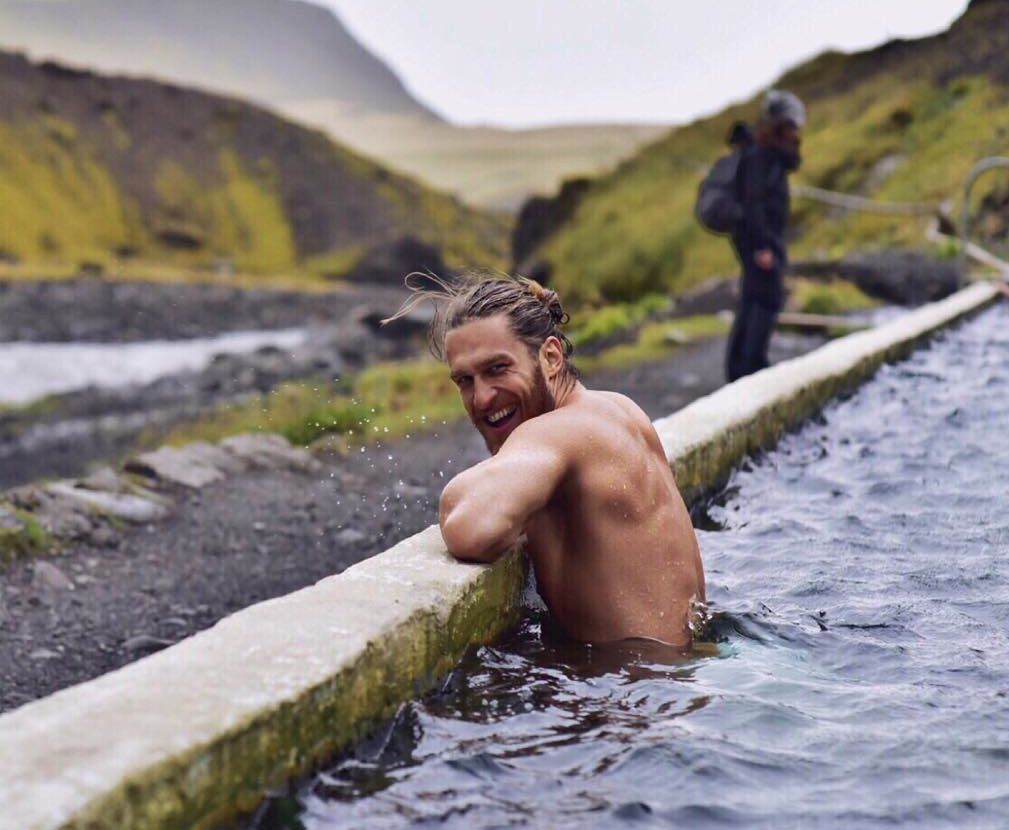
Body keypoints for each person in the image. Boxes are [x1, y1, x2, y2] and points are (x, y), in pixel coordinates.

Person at [386, 274, 705, 648]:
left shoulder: (553, 432)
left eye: (497, 369)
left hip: (628, 694)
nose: (482, 398)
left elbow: (473, 528)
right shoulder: (619, 409)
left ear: (550, 357)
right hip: (686, 680)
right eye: (465, 381)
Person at [725, 90, 805, 382]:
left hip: (762, 240)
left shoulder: (767, 154)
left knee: (753, 297)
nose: (797, 131)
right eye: (792, 125)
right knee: (765, 298)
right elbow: (754, 203)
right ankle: (750, 367)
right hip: (762, 242)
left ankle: (741, 368)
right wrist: (762, 246)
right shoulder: (761, 156)